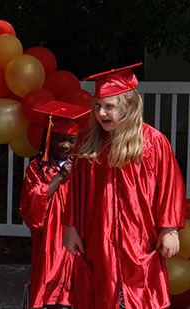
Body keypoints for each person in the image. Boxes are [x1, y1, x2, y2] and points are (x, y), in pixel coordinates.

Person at [63, 63, 185, 308]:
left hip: (140, 239)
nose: (101, 113)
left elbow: (170, 187)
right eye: (98, 106)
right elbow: (74, 190)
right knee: (101, 293)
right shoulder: (89, 144)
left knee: (138, 296)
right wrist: (70, 227)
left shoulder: (152, 142)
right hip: (97, 237)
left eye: (109, 107)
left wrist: (169, 228)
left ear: (128, 107)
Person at [20, 100, 90, 309]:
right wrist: (60, 178)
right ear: (49, 139)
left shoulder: (84, 167)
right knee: (50, 285)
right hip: (50, 239)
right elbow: (31, 204)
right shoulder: (37, 168)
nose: (65, 146)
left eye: (71, 141)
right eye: (59, 140)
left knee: (78, 286)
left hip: (79, 236)